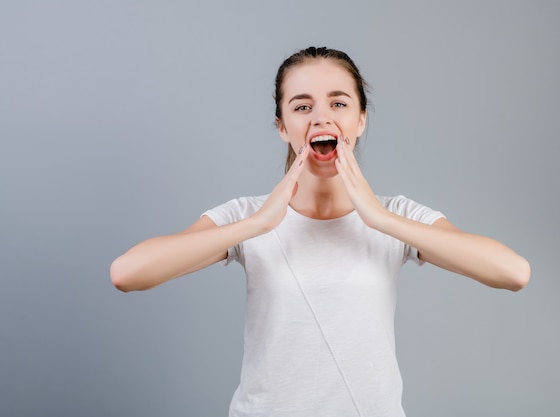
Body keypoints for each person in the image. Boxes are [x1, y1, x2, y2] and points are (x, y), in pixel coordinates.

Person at [110, 46, 530, 417]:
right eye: (302, 106)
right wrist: (257, 224)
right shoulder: (247, 217)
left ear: (361, 119)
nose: (321, 117)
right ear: (282, 126)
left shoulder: (397, 216)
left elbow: (513, 273)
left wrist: (379, 219)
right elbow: (127, 273)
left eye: (339, 103)